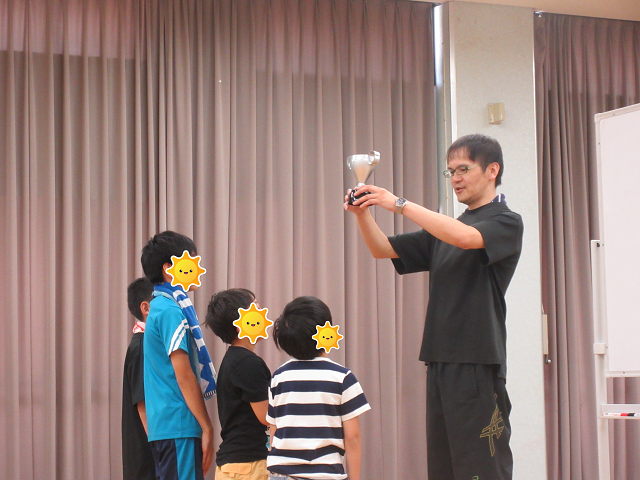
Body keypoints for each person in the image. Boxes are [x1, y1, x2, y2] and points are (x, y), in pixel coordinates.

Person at [344, 134, 523, 480]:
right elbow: (382, 249)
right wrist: (362, 213)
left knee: (481, 466)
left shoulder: (505, 220)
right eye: (450, 171)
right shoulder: (449, 228)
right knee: (444, 466)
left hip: (476, 360)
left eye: (463, 169)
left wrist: (398, 203)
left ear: (492, 170)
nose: (455, 178)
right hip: (440, 358)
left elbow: (466, 239)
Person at [266, 296, 370, 480]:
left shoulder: (278, 378)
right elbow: (352, 437)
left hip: (281, 475)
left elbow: (274, 431)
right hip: (325, 475)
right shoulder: (343, 378)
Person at [141, 231, 215, 480]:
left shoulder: (160, 305)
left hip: (169, 425)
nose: (198, 266)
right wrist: (207, 426)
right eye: (191, 260)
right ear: (168, 268)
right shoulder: (170, 310)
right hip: (178, 424)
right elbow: (183, 374)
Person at [205, 288, 271, 480]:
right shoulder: (247, 363)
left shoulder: (236, 359)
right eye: (256, 308)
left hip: (237, 467)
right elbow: (267, 416)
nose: (263, 313)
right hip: (248, 466)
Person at [122, 277, 156, 480]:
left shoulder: (148, 342)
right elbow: (142, 403)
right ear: (146, 308)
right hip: (148, 458)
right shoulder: (142, 345)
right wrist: (161, 449)